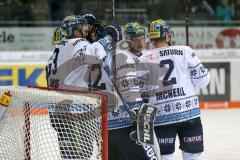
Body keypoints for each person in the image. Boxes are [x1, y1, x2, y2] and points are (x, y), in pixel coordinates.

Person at [45, 14, 121, 159]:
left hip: (56, 114)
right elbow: (94, 54)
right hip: (74, 111)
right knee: (81, 155)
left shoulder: (56, 52)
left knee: (69, 155)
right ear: (74, 29)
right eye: (83, 26)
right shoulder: (77, 43)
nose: (86, 28)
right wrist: (108, 37)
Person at [139, 19, 210, 160]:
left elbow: (142, 92)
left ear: (151, 38)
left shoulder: (144, 59)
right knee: (193, 155)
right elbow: (202, 81)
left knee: (165, 156)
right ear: (167, 35)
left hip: (161, 116)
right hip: (189, 114)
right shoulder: (185, 51)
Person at [108, 22, 158, 160]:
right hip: (127, 121)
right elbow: (128, 90)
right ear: (127, 40)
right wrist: (137, 110)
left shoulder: (147, 57)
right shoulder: (122, 58)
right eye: (135, 39)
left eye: (142, 38)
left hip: (139, 118)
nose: (140, 42)